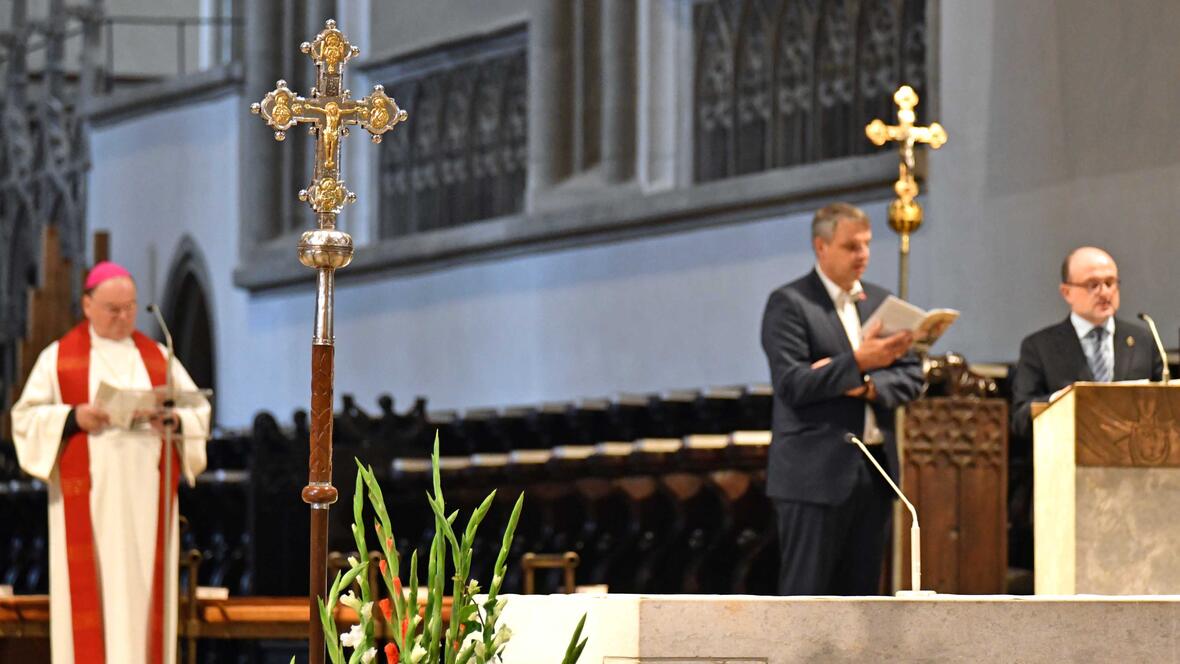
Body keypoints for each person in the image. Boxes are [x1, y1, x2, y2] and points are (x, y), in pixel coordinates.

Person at [12, 261, 210, 664]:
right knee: (93, 591)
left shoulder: (156, 355)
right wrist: (73, 417)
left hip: (146, 499)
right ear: (87, 305)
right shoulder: (58, 358)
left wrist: (173, 418)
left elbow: (198, 410)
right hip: (89, 499)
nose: (123, 317)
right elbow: (24, 417)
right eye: (112, 309)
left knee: (143, 593)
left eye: (130, 307)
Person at [760, 202, 925, 595]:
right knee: (808, 599)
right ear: (821, 247)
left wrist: (867, 385)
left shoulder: (882, 303)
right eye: (851, 246)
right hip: (812, 474)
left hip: (873, 471)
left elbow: (913, 376)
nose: (863, 255)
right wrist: (856, 363)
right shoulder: (790, 304)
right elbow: (792, 383)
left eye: (866, 245)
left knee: (863, 600)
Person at [1010, 246, 1164, 441]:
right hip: (1068, 457)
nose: (1105, 292)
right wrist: (1058, 401)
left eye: (1110, 283)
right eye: (1093, 285)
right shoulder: (1039, 347)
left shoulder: (1143, 340)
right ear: (1066, 292)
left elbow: (1168, 406)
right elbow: (1020, 419)